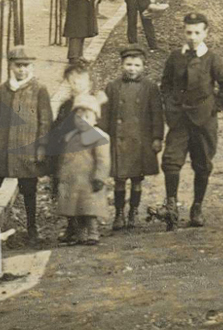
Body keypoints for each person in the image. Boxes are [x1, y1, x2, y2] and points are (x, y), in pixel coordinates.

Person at [159, 12, 223, 230]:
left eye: (197, 32)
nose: (192, 37)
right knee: (171, 162)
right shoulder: (175, 57)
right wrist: (170, 104)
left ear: (205, 33)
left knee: (202, 164)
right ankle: (171, 206)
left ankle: (197, 207)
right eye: (188, 32)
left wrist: (214, 107)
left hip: (204, 122)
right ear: (183, 32)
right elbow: (165, 84)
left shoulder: (212, 59)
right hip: (179, 121)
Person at [0, 46, 53, 246]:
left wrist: (42, 148)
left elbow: (45, 121)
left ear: (32, 66)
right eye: (18, 66)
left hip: (27, 146)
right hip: (2, 145)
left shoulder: (39, 89)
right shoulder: (4, 88)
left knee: (28, 188)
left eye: (26, 66)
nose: (22, 70)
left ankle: (31, 226)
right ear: (11, 66)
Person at [100, 45, 164, 231]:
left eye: (136, 65)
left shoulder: (150, 88)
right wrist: (102, 136)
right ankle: (119, 213)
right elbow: (105, 114)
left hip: (141, 141)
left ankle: (133, 212)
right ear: (121, 64)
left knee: (137, 178)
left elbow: (157, 115)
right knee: (119, 179)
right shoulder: (113, 87)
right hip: (118, 140)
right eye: (128, 64)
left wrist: (157, 137)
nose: (132, 69)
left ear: (143, 66)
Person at [53, 92, 111, 245]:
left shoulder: (99, 137)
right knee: (74, 208)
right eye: (79, 118)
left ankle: (93, 232)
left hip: (89, 180)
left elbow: (103, 160)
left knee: (89, 209)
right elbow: (64, 158)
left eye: (87, 117)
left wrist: (100, 177)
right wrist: (60, 174)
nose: (83, 121)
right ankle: (79, 234)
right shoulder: (70, 137)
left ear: (95, 119)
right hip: (72, 180)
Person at [50, 60, 97, 243]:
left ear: (89, 82)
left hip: (86, 157)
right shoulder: (66, 106)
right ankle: (72, 226)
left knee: (85, 193)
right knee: (67, 192)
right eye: (72, 80)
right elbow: (57, 129)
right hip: (67, 157)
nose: (76, 84)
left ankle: (86, 229)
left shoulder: (93, 104)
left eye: (80, 80)